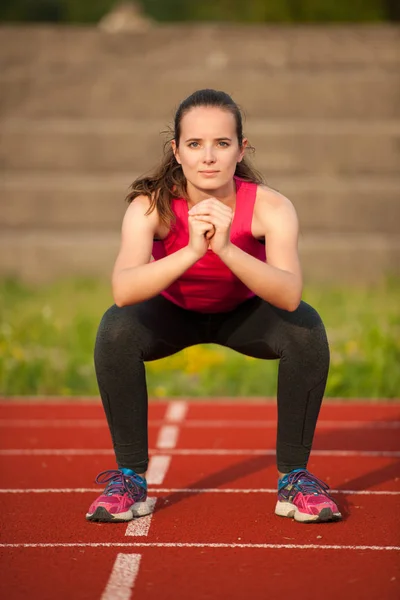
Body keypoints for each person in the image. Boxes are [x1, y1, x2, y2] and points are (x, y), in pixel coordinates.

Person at [86, 88, 342, 525]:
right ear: (177, 151)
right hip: (172, 312)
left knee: (306, 328)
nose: (208, 157)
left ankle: (294, 479)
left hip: (244, 314)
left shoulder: (272, 207)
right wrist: (189, 252)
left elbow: (288, 294)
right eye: (195, 144)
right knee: (116, 329)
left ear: (241, 150)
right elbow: (124, 290)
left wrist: (224, 249)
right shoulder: (151, 204)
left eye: (222, 143)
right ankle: (129, 480)